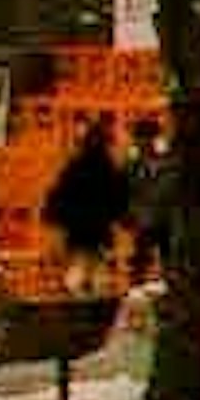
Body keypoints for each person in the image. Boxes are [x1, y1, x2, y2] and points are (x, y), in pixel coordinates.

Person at [42, 114, 128, 297]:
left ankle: (79, 293)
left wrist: (54, 215)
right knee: (96, 262)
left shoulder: (76, 166)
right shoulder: (108, 167)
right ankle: (94, 296)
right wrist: (122, 216)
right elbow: (118, 196)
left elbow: (60, 192)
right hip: (97, 223)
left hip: (79, 223)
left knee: (81, 260)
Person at [119, 115, 171, 285]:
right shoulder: (133, 164)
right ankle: (140, 284)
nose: (144, 142)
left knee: (158, 256)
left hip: (157, 217)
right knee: (145, 256)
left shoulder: (162, 162)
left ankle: (151, 283)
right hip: (148, 218)